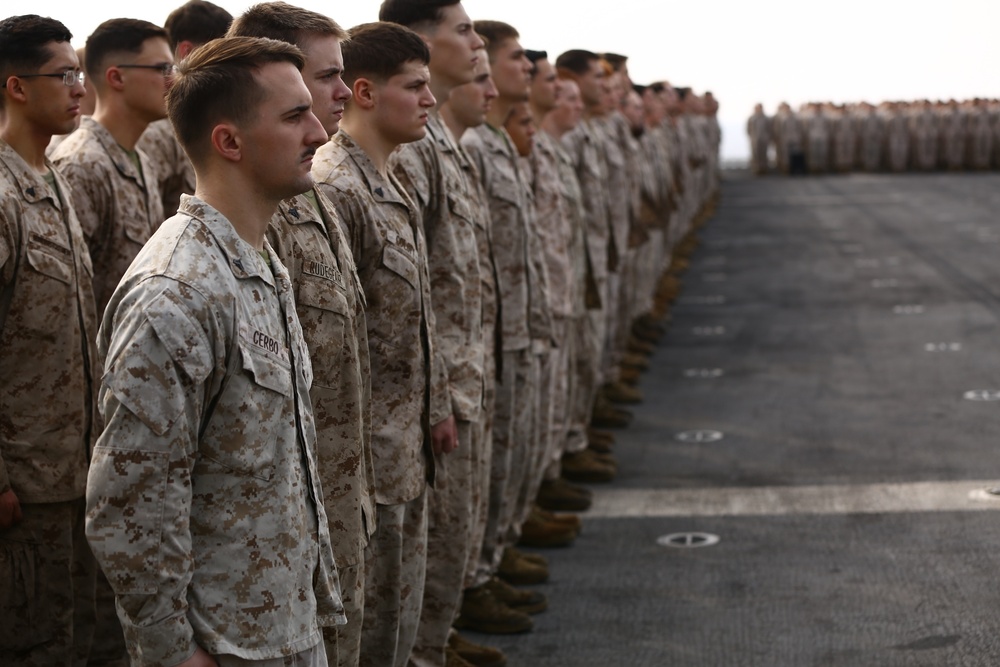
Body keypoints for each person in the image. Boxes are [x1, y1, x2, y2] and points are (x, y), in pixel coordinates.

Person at [85, 35, 345, 667]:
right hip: (225, 646)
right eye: (293, 116)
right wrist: (173, 652)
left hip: (282, 623)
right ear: (229, 141)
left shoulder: (256, 263)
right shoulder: (176, 291)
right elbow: (130, 500)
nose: (319, 132)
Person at [226, 5, 372, 666]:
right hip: (282, 523)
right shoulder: (251, 216)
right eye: (328, 75)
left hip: (337, 487)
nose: (343, 90)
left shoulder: (307, 193)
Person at [310, 21, 453, 667]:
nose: (430, 100)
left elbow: (413, 313)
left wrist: (437, 406)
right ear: (365, 92)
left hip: (403, 445)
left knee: (394, 624)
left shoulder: (388, 177)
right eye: (415, 86)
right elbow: (331, 345)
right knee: (366, 635)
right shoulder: (337, 188)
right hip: (363, 462)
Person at [0, 15, 100, 667]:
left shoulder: (53, 182)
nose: (78, 88)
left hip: (72, 472)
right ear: (14, 86)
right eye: (62, 75)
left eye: (79, 73)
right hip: (22, 489)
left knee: (69, 642)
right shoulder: (4, 194)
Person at [50, 18, 172, 316]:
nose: (173, 80)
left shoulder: (141, 160)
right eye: (161, 69)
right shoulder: (81, 165)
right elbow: (64, 301)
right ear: (117, 78)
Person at [138, 0, 233, 217]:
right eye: (220, 52)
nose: (230, 65)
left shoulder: (207, 117)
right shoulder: (156, 132)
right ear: (187, 51)